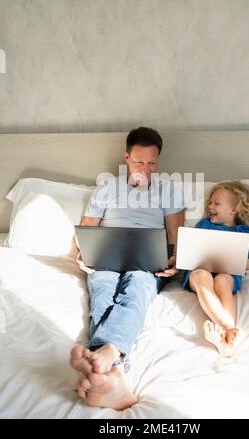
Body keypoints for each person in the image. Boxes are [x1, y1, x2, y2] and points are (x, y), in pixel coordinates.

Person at [70, 127, 185, 409]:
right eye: (139, 162)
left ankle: (107, 360)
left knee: (135, 290)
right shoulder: (107, 188)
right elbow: (86, 231)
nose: (145, 170)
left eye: (152, 163)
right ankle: (114, 372)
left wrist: (174, 262)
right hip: (106, 259)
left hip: (146, 265)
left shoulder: (168, 190)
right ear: (126, 157)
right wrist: (82, 254)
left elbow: (177, 239)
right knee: (103, 293)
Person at [182, 180, 249, 357]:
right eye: (210, 202)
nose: (210, 206)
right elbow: (191, 247)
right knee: (200, 275)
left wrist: (232, 257)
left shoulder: (248, 231)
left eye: (216, 203)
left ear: (234, 210)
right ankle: (228, 328)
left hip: (227, 273)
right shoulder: (205, 224)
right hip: (200, 270)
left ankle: (224, 343)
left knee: (223, 280)